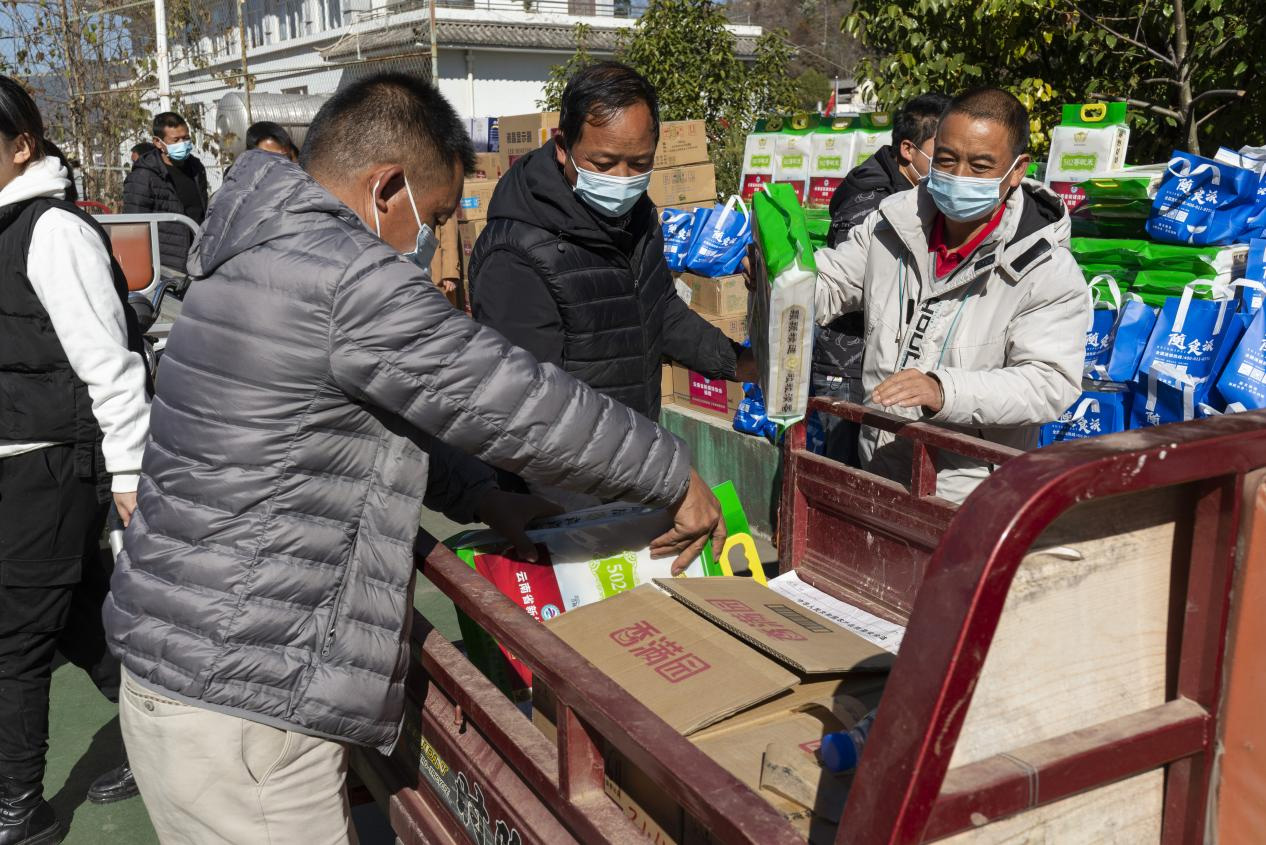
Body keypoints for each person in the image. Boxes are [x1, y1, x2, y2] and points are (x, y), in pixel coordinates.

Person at [104, 72, 725, 844]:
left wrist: (482, 496)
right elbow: (510, 399)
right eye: (432, 218)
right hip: (246, 702)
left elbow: (367, 422)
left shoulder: (259, 247)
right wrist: (671, 471)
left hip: (200, 667)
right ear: (386, 190)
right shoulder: (342, 273)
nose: (431, 244)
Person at [0, 75, 150, 845]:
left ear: (21, 146)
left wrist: (127, 472)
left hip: (55, 461)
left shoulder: (53, 231)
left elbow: (110, 362)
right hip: (18, 458)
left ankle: (17, 808)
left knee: (15, 635)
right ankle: (162, 738)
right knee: (77, 614)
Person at [812, 87, 1087, 503]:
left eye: (980, 166)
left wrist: (945, 390)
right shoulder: (893, 224)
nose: (959, 176)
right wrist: (781, 280)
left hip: (968, 495)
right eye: (945, 159)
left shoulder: (1045, 269)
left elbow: (1049, 382)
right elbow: (833, 280)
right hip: (880, 469)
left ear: (1017, 170)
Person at [469, 61, 756, 425]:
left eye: (639, 163)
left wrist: (738, 363)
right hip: (579, 456)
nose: (622, 179)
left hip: (637, 441)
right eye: (604, 163)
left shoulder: (638, 215)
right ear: (563, 147)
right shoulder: (515, 257)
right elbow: (527, 408)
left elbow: (659, 309)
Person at [812, 93, 950, 465]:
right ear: (908, 149)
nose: (951, 167)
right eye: (942, 154)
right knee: (842, 472)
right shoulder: (872, 204)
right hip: (847, 365)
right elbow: (849, 282)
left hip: (875, 364)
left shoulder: (908, 194)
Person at [121, 112, 208, 273]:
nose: (183, 144)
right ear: (158, 142)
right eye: (176, 140)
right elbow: (134, 227)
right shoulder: (143, 176)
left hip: (199, 257)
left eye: (186, 138)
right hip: (167, 265)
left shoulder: (196, 168)